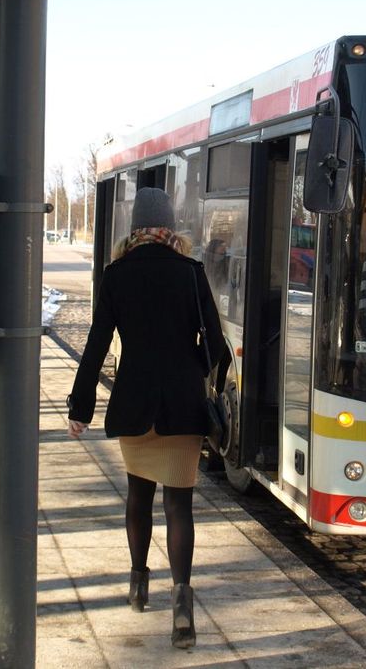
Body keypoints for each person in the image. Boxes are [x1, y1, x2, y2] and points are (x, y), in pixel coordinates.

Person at [67, 187, 227, 650]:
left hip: (134, 402)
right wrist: (192, 369)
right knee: (179, 506)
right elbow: (216, 345)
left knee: (139, 498)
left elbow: (97, 345)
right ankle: (182, 605)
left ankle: (138, 585)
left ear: (134, 226)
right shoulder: (191, 273)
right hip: (183, 405)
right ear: (170, 225)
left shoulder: (117, 275)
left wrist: (81, 408)